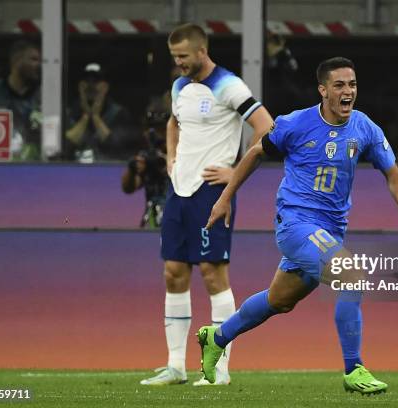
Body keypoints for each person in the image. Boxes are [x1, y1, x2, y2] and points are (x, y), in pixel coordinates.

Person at [197, 57, 398, 395]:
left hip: (329, 230)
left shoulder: (364, 127)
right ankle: (354, 369)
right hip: (295, 223)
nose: (347, 91)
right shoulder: (295, 124)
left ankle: (216, 337)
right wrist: (224, 199)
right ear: (323, 90)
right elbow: (255, 154)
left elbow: (392, 172)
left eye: (351, 84)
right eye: (339, 85)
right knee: (352, 277)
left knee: (278, 301)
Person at [139, 23, 274, 386]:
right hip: (179, 190)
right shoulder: (180, 86)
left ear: (202, 51)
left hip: (211, 192)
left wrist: (235, 172)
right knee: (173, 272)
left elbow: (267, 128)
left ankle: (219, 370)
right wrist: (171, 159)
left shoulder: (230, 86)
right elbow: (174, 122)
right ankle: (175, 367)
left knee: (213, 275)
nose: (178, 63)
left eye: (183, 56)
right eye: (174, 57)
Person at [65, 63, 136, 162]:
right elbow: (66, 146)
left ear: (106, 87)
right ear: (79, 86)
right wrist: (85, 116)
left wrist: (95, 117)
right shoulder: (70, 111)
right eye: (87, 81)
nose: (90, 86)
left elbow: (118, 149)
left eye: (95, 81)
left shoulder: (119, 113)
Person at [121, 96, 170, 229]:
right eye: (150, 129)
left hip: (179, 218)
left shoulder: (183, 154)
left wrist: (166, 163)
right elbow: (128, 188)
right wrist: (132, 170)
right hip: (153, 218)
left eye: (161, 129)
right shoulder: (146, 157)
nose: (155, 134)